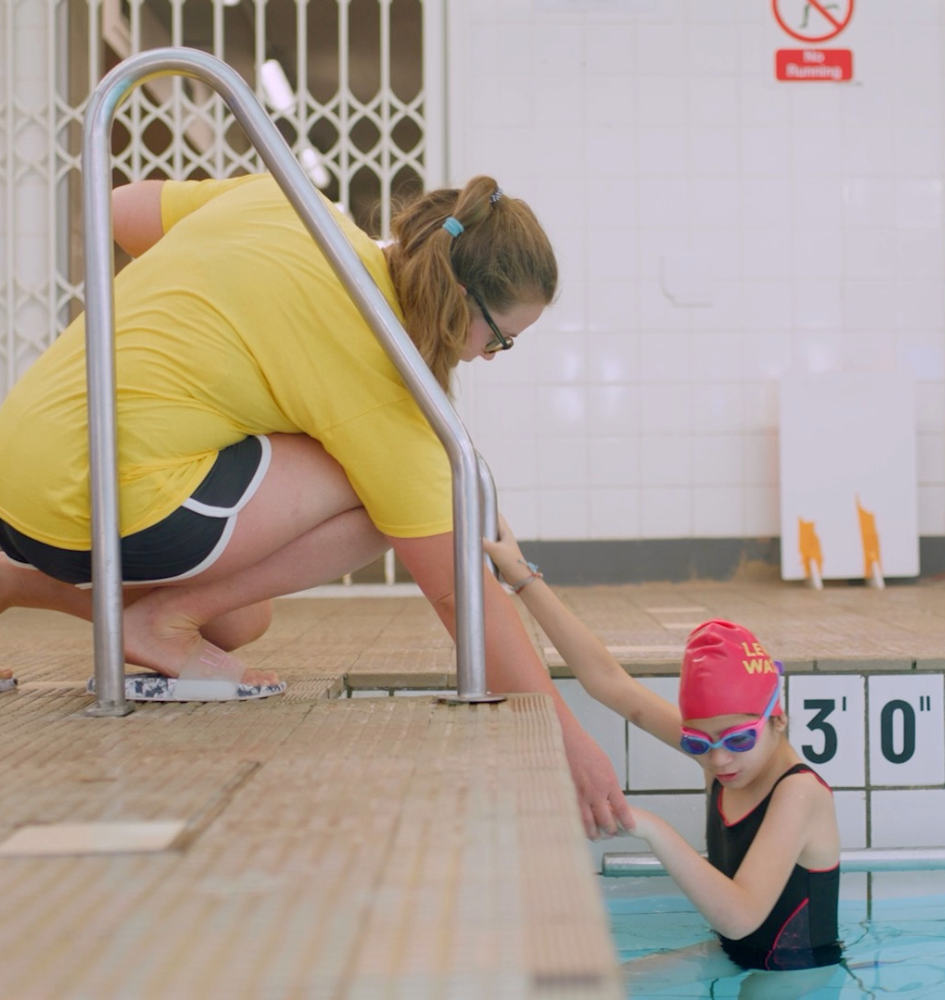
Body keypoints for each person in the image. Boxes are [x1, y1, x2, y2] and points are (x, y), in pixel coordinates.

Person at [0, 172, 630, 837]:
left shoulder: (289, 203)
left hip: (22, 470)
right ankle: (162, 619)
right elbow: (458, 594)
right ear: (456, 304)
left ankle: (14, 578)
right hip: (105, 500)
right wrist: (569, 743)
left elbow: (121, 209)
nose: (492, 357)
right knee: (413, 486)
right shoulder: (381, 377)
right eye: (499, 339)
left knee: (241, 622)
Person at [484, 517, 844, 993]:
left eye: (736, 739)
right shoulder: (729, 756)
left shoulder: (800, 793)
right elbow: (610, 683)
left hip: (798, 976)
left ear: (777, 717)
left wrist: (651, 827)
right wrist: (523, 579)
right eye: (698, 743)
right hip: (731, 954)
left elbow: (740, 915)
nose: (718, 761)